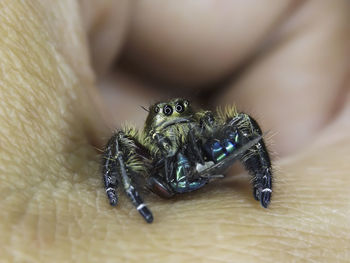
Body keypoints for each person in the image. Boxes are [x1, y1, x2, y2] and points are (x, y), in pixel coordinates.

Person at [0, 0, 349, 261]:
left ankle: (263, 184)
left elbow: (244, 129)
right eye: (165, 114)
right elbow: (119, 147)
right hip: (159, 178)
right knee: (119, 140)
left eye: (180, 110)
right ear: (153, 125)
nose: (174, 115)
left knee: (243, 123)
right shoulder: (142, 151)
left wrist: (263, 182)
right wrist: (124, 196)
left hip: (207, 163)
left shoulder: (210, 135)